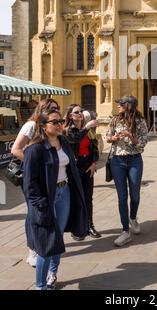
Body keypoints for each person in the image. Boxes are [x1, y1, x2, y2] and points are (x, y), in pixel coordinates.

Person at [23, 109, 87, 290]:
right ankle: (40, 286)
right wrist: (41, 205)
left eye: (60, 121)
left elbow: (70, 169)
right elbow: (30, 185)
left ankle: (53, 273)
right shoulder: (35, 149)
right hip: (46, 200)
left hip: (64, 193)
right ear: (43, 126)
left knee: (58, 238)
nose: (60, 125)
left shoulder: (64, 142)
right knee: (46, 244)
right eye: (55, 122)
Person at [11, 98, 60, 267]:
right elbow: (15, 149)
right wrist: (35, 164)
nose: (56, 111)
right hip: (33, 177)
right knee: (34, 212)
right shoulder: (31, 126)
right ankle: (32, 250)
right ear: (43, 109)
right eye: (52, 108)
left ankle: (44, 243)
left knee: (44, 211)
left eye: (57, 108)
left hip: (48, 176)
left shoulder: (50, 127)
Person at [106, 96, 148, 247]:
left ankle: (133, 217)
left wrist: (131, 136)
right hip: (117, 160)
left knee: (135, 195)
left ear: (128, 106)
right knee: (122, 196)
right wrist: (114, 137)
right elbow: (107, 137)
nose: (118, 106)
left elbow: (142, 144)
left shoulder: (140, 121)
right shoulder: (115, 120)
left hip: (135, 160)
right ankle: (125, 231)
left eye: (121, 104)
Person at [64, 104, 102, 240]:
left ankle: (89, 225)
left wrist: (93, 163)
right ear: (70, 116)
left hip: (87, 165)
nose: (80, 113)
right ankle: (77, 228)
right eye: (76, 112)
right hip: (75, 166)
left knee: (88, 198)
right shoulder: (68, 130)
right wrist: (87, 127)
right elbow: (75, 139)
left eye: (81, 111)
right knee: (76, 198)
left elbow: (95, 148)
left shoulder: (89, 131)